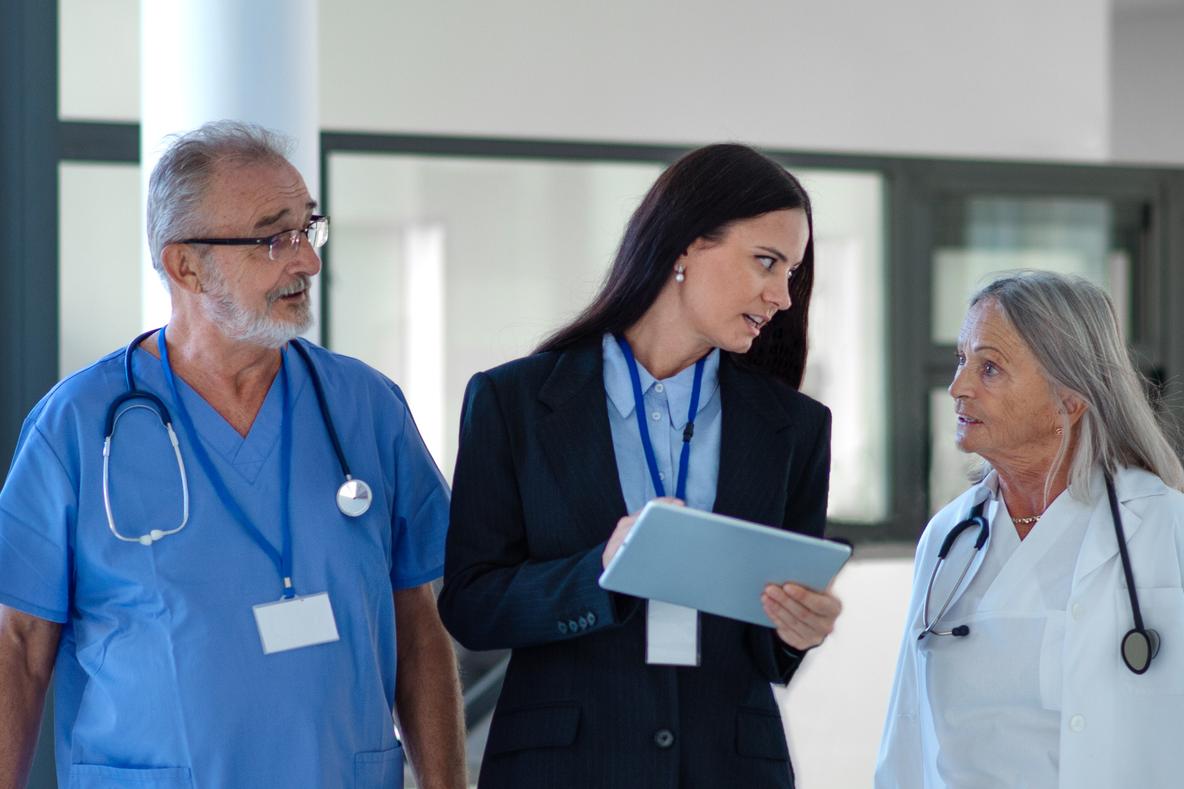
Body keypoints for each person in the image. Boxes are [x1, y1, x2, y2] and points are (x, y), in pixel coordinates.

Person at [0, 121, 465, 789]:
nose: (307, 260)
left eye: (309, 228)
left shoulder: (365, 408)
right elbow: (18, 650)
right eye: (275, 237)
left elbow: (417, 624)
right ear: (184, 264)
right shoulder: (75, 427)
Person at [437, 143, 842, 788]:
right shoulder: (513, 403)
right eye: (766, 262)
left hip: (729, 768)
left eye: (790, 272)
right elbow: (470, 604)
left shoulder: (793, 428)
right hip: (564, 767)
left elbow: (769, 654)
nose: (783, 296)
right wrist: (601, 569)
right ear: (685, 245)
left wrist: (797, 631)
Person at [876, 271, 1184, 788]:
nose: (958, 388)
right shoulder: (949, 537)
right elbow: (907, 729)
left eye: (990, 367)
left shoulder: (1163, 527)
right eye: (961, 360)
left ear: (1070, 398)